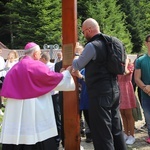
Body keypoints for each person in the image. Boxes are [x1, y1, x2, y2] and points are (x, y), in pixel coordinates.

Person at [0, 42, 75, 150]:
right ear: (35, 54)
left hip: (16, 108)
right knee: (37, 135)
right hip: (34, 107)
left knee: (18, 135)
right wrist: (66, 74)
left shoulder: (15, 67)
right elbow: (52, 79)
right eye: (39, 53)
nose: (40, 56)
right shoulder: (37, 66)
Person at [72, 18, 126, 150]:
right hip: (114, 89)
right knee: (116, 127)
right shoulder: (112, 42)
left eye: (84, 31)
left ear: (89, 30)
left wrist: (74, 54)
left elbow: (77, 64)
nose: (84, 35)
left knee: (102, 131)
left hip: (99, 92)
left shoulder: (92, 46)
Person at [134, 34, 150, 144]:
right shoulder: (140, 60)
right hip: (145, 94)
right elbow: (136, 78)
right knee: (148, 118)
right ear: (146, 43)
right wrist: (146, 88)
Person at [118, 58, 136, 145]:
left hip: (127, 90)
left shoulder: (129, 65)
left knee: (128, 114)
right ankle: (125, 132)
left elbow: (126, 72)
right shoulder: (117, 65)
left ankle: (132, 135)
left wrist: (126, 62)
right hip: (118, 89)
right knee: (122, 114)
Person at [0, 49, 6, 116]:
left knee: (1, 92)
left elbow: (3, 67)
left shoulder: (1, 58)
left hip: (1, 76)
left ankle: (1, 106)